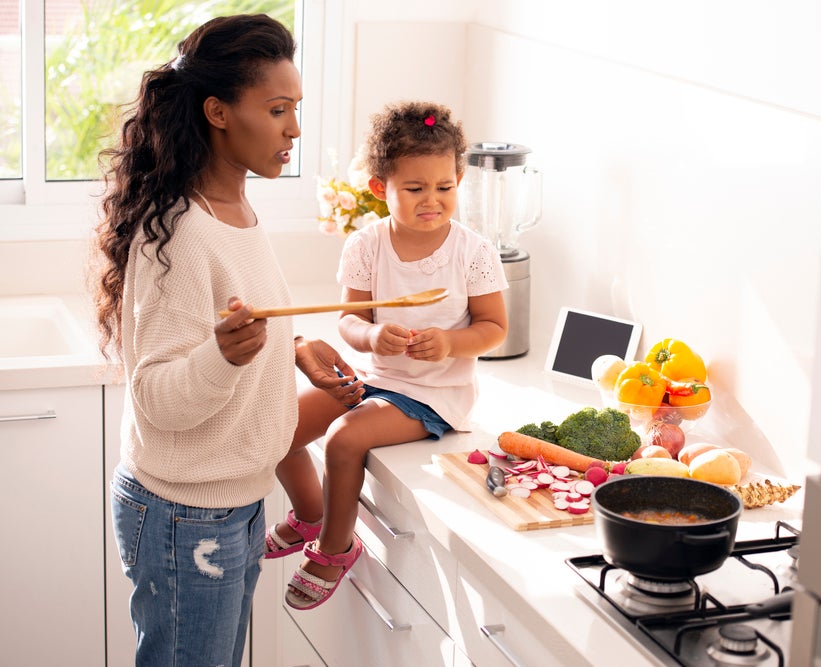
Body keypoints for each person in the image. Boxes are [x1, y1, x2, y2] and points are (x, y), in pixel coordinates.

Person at [90, 14, 360, 666]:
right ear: (217, 112)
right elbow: (158, 393)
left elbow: (231, 320)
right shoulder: (184, 232)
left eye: (294, 109)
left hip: (229, 501)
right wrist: (223, 354)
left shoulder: (235, 208)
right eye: (276, 110)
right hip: (186, 515)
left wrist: (293, 349)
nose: (293, 128)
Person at [271, 100, 509, 610]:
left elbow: (494, 329)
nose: (433, 201)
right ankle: (312, 513)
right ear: (381, 189)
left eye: (444, 187)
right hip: (375, 377)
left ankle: (335, 548)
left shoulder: (473, 252)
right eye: (415, 189)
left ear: (458, 180)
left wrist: (448, 343)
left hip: (434, 395)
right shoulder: (365, 245)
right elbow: (349, 320)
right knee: (274, 426)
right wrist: (371, 337)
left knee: (343, 438)